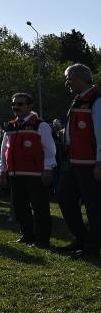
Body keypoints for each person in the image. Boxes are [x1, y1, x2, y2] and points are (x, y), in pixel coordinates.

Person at [0, 93, 56, 248]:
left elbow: (50, 150)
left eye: (20, 104)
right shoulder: (10, 126)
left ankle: (42, 240)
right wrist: (2, 169)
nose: (15, 107)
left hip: (36, 174)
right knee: (19, 206)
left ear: (29, 106)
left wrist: (48, 169)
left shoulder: (40, 125)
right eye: (13, 104)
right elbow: (4, 150)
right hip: (15, 174)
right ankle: (27, 235)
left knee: (40, 208)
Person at [57, 64, 101, 258]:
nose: (67, 83)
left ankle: (93, 247)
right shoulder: (78, 100)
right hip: (73, 162)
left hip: (90, 163)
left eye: (69, 79)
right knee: (64, 196)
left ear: (81, 79)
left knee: (93, 206)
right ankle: (81, 237)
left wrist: (99, 163)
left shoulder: (96, 100)